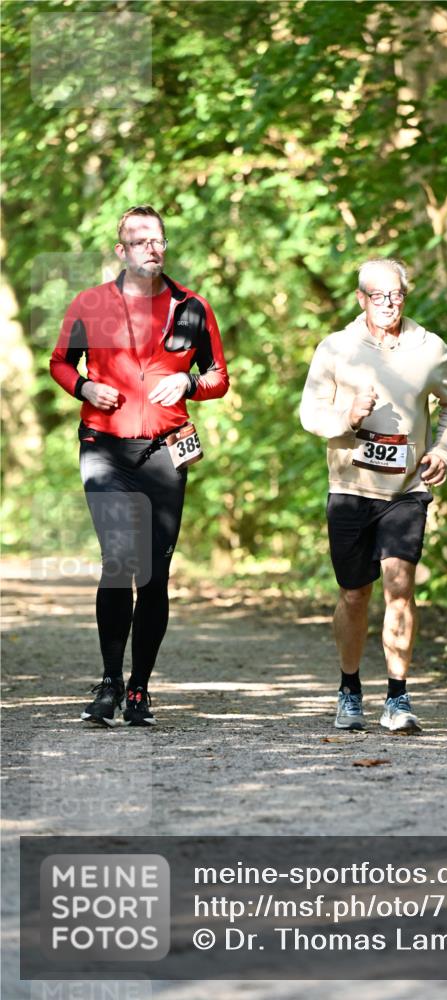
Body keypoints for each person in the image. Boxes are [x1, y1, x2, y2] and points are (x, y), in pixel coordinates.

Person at [50, 205, 229, 727]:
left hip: (166, 451)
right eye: (140, 239)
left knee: (153, 575)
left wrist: (190, 384)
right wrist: (85, 387)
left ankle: (139, 690)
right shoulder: (89, 304)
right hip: (104, 447)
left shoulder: (192, 308)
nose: (152, 247)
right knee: (120, 560)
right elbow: (60, 362)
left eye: (159, 239)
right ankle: (108, 681)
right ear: (121, 250)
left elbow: (218, 376)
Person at [300, 258, 447, 733]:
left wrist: (444, 451)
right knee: (355, 595)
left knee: (400, 586)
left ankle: (397, 697)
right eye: (378, 296)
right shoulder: (335, 348)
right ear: (360, 299)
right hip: (351, 488)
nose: (389, 304)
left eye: (396, 295)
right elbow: (311, 413)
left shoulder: (429, 348)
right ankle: (350, 688)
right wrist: (348, 417)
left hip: (406, 488)